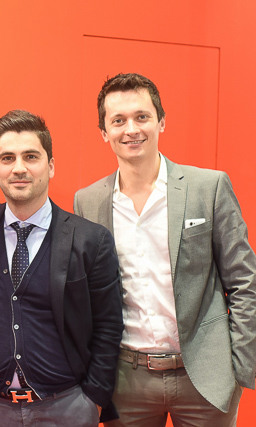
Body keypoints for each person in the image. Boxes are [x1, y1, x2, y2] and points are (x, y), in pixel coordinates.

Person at [74, 72, 256, 426]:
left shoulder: (209, 187)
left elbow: (244, 281)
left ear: (161, 121)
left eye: (142, 116)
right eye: (118, 120)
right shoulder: (89, 202)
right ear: (104, 132)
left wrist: (239, 368)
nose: (131, 129)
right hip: (125, 381)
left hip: (205, 376)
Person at [0, 110, 123, 426]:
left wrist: (94, 400)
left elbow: (109, 324)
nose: (19, 168)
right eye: (7, 158)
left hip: (66, 409)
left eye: (31, 156)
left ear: (51, 166)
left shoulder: (90, 240)